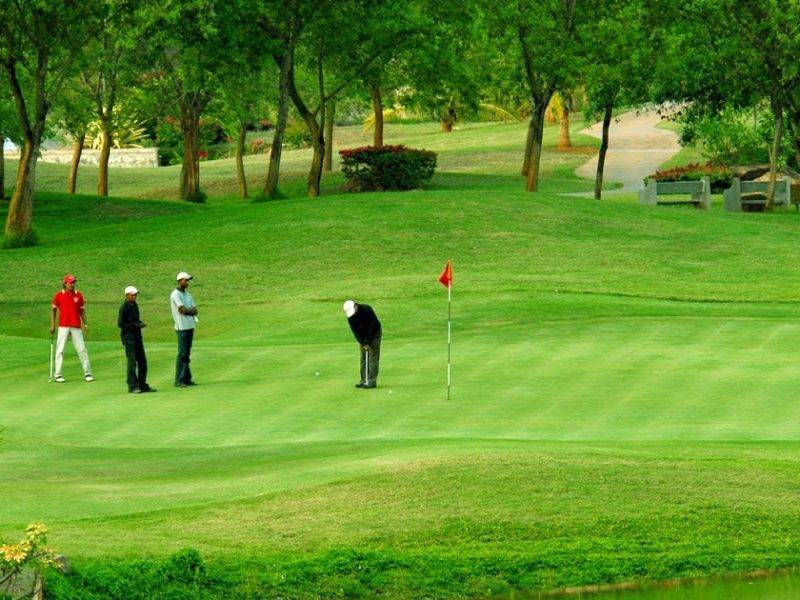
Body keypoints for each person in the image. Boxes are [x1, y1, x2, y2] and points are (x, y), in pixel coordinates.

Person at [50, 274, 93, 383]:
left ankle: (88, 373)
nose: (73, 284)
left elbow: (82, 311)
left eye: (74, 282)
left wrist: (86, 324)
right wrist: (52, 325)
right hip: (63, 326)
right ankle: (58, 374)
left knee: (82, 350)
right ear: (65, 284)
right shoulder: (58, 295)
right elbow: (53, 310)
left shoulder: (79, 295)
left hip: (76, 326)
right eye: (71, 282)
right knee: (60, 350)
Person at [117, 286, 155, 394]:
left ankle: (142, 384)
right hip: (129, 337)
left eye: (135, 295)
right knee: (132, 362)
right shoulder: (124, 307)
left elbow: (135, 320)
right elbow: (120, 323)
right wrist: (136, 325)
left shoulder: (135, 305)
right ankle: (132, 386)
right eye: (132, 295)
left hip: (137, 336)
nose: (134, 296)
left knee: (143, 361)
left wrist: (140, 324)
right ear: (127, 295)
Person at [343, 300, 382, 389]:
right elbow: (355, 331)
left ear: (355, 305)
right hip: (363, 336)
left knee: (373, 358)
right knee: (363, 358)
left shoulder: (367, 309)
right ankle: (364, 380)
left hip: (374, 333)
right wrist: (362, 342)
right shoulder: (350, 317)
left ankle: (372, 381)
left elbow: (371, 326)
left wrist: (367, 342)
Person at [170, 272, 198, 387]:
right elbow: (182, 310)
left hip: (190, 326)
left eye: (188, 280)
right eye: (185, 280)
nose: (187, 282)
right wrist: (189, 311)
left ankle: (186, 378)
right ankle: (179, 380)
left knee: (186, 353)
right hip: (181, 327)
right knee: (182, 354)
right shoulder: (175, 295)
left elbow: (195, 309)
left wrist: (189, 311)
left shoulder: (188, 294)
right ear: (180, 280)